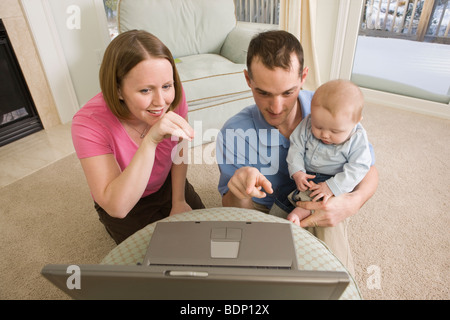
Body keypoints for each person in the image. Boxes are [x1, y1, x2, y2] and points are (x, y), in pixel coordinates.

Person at [216, 30, 378, 275]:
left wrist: (351, 203)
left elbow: (368, 168)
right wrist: (239, 190)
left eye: (287, 92)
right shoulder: (234, 132)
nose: (276, 107)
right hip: (268, 209)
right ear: (248, 79)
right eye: (264, 93)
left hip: (318, 196)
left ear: (303, 77)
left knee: (330, 259)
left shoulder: (330, 106)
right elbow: (233, 208)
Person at [72, 30, 204, 244]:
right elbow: (117, 206)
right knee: (152, 261)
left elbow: (180, 150)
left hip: (167, 183)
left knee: (203, 238)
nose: (161, 102)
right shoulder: (87, 123)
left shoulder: (174, 98)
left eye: (166, 86)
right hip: (125, 195)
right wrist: (151, 140)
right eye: (145, 90)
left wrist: (178, 199)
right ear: (118, 90)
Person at [285, 79, 372, 226]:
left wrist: (332, 186)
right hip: (307, 175)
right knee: (283, 197)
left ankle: (298, 215)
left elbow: (360, 167)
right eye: (318, 126)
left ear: (356, 121)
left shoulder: (357, 138)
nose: (325, 135)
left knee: (320, 201)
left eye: (335, 131)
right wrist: (297, 171)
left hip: (336, 179)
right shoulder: (307, 122)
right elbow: (296, 147)